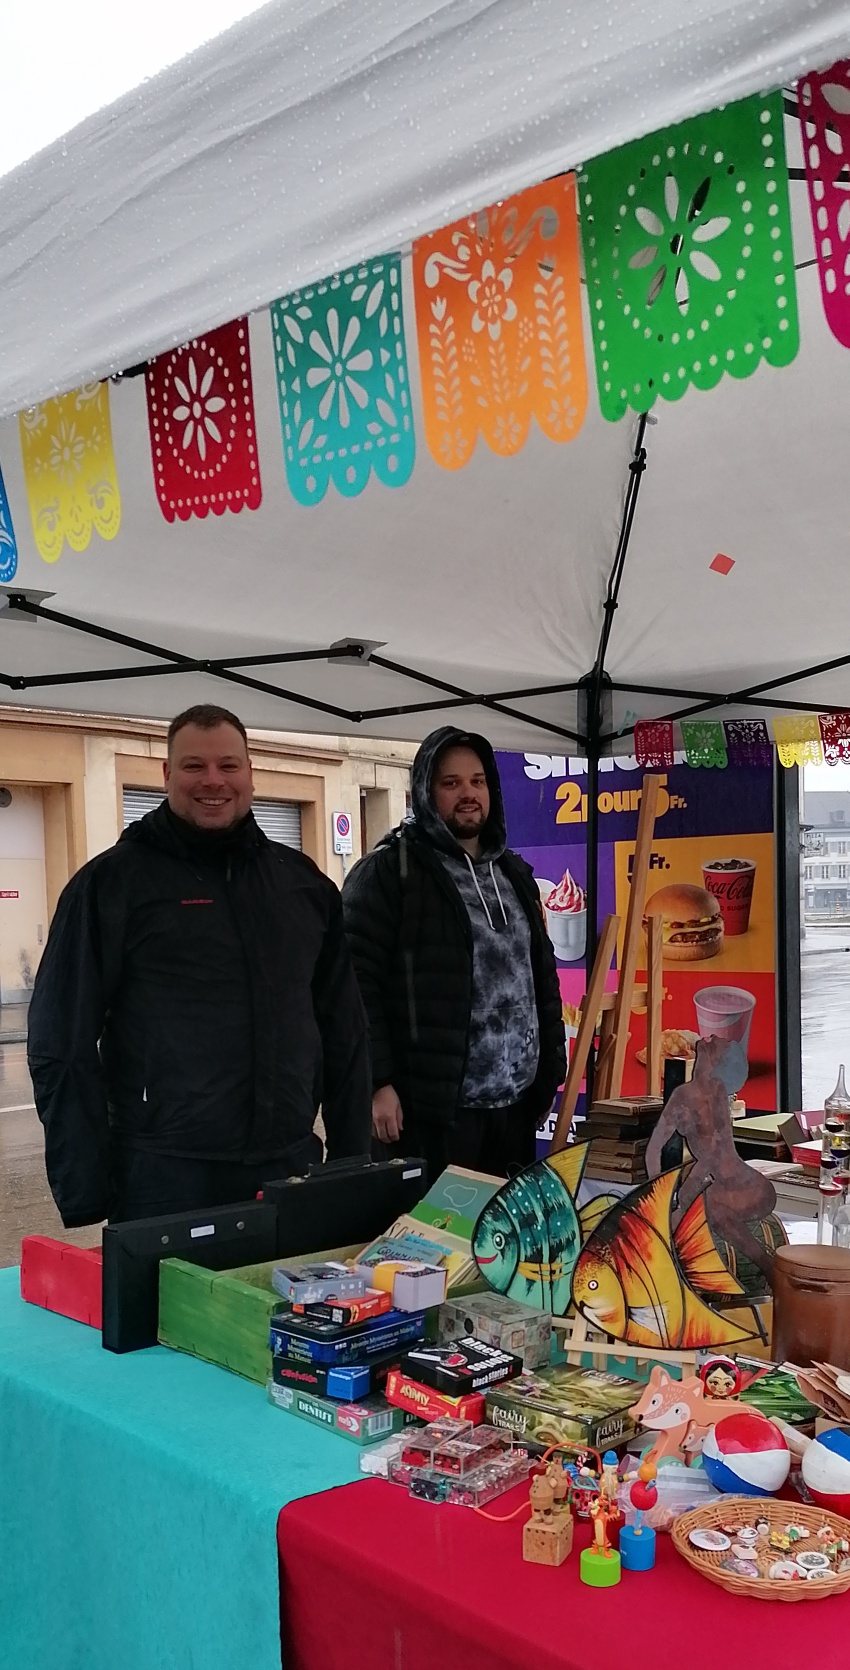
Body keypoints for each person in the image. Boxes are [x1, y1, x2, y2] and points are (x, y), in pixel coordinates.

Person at [28, 704, 371, 1225]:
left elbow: (345, 1033)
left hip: (289, 1166)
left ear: (250, 773)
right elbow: (61, 1043)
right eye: (194, 766)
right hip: (165, 1176)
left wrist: (351, 1163)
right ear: (167, 775)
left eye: (229, 766)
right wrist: (87, 1188)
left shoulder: (301, 885)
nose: (213, 780)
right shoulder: (112, 885)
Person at [342, 725, 565, 1182]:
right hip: (433, 1114)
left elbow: (540, 976)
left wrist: (549, 1074)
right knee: (434, 1247)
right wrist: (377, 1083)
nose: (468, 793)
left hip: (514, 1109)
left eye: (477, 781)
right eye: (452, 783)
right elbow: (354, 985)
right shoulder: (389, 872)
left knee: (503, 1245)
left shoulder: (514, 873)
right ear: (426, 791)